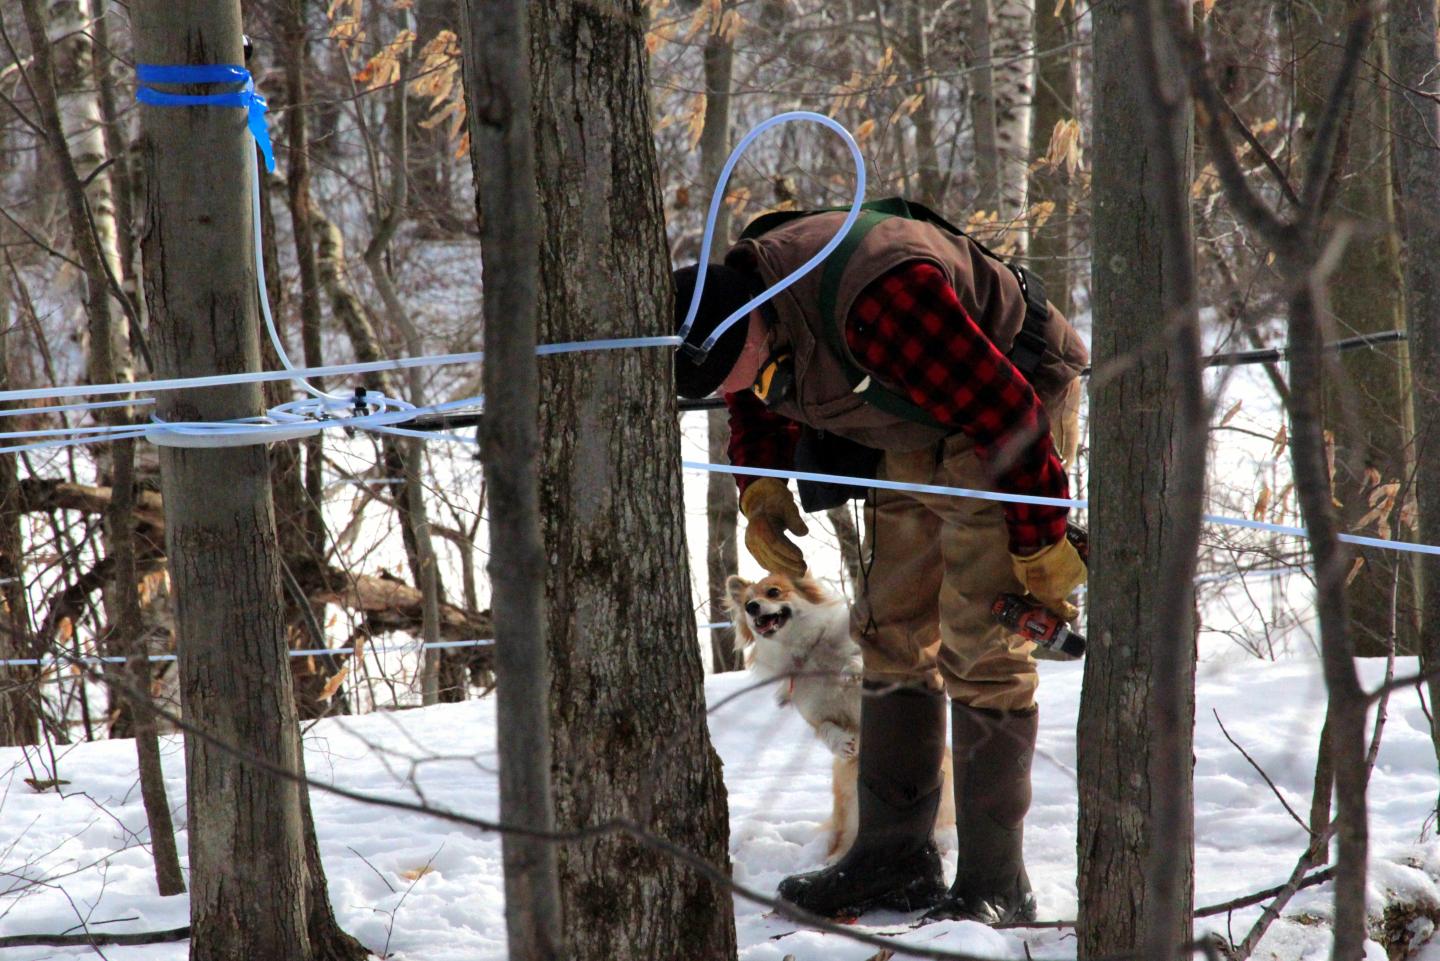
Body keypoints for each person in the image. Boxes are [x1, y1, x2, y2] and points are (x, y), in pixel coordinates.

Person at [674, 202, 1089, 923]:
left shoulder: (885, 300)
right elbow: (762, 390)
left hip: (1010, 397)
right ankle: (893, 855)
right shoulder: (749, 301)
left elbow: (1005, 414)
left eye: (724, 372)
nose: (727, 391)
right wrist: (762, 491)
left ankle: (997, 880)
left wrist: (1041, 538)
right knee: (889, 622)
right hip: (913, 404)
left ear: (750, 321)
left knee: (981, 634)